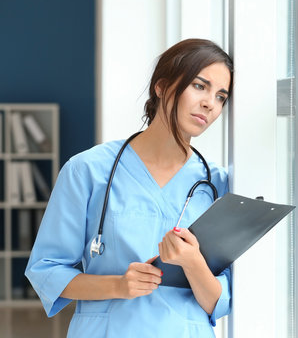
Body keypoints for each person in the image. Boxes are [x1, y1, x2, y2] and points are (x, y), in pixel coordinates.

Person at [25, 38, 234, 337]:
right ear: (161, 87)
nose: (209, 104)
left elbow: (219, 300)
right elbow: (47, 271)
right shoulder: (88, 170)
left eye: (221, 96)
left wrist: (193, 263)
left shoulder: (216, 183)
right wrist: (118, 285)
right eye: (199, 86)